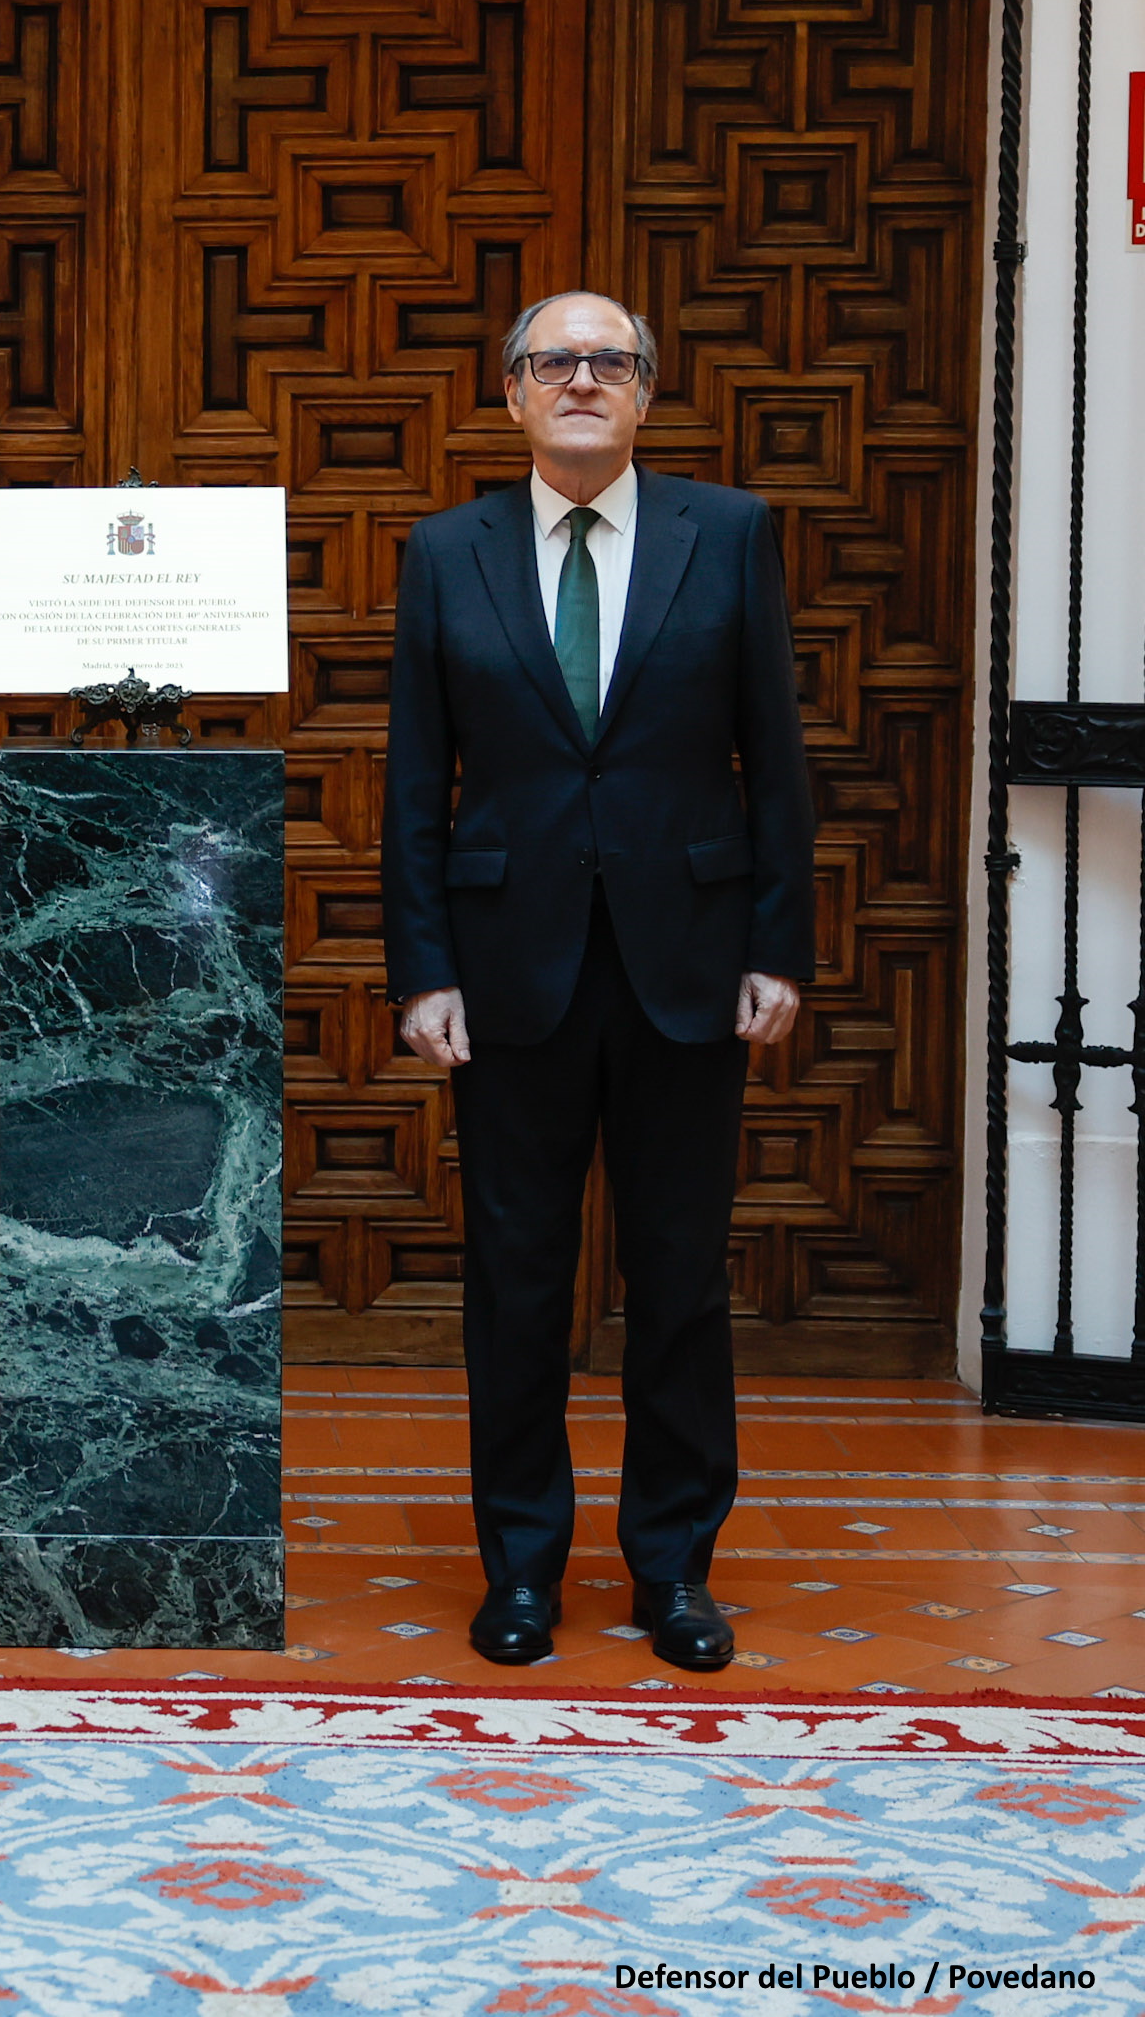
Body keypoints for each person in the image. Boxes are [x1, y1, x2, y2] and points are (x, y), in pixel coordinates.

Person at [383, 289, 815, 1674]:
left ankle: (673, 1570)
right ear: (510, 394)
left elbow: (778, 764)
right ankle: (520, 1567)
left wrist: (776, 944)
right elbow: (413, 785)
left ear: (644, 394)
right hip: (508, 973)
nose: (583, 380)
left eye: (609, 362)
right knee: (516, 1279)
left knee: (678, 1277)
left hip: (688, 964)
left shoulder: (728, 535)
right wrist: (423, 968)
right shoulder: (446, 553)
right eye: (555, 362)